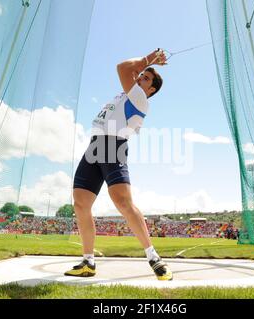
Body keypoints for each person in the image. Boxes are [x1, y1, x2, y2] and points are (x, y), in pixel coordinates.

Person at [65, 49, 173, 281]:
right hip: (95, 147)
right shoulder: (126, 94)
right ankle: (88, 262)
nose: (140, 77)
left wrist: (149, 60)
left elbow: (123, 67)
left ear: (150, 89)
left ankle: (154, 257)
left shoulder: (139, 97)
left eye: (145, 78)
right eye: (141, 75)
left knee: (123, 203)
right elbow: (129, 71)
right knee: (81, 203)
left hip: (113, 145)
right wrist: (145, 66)